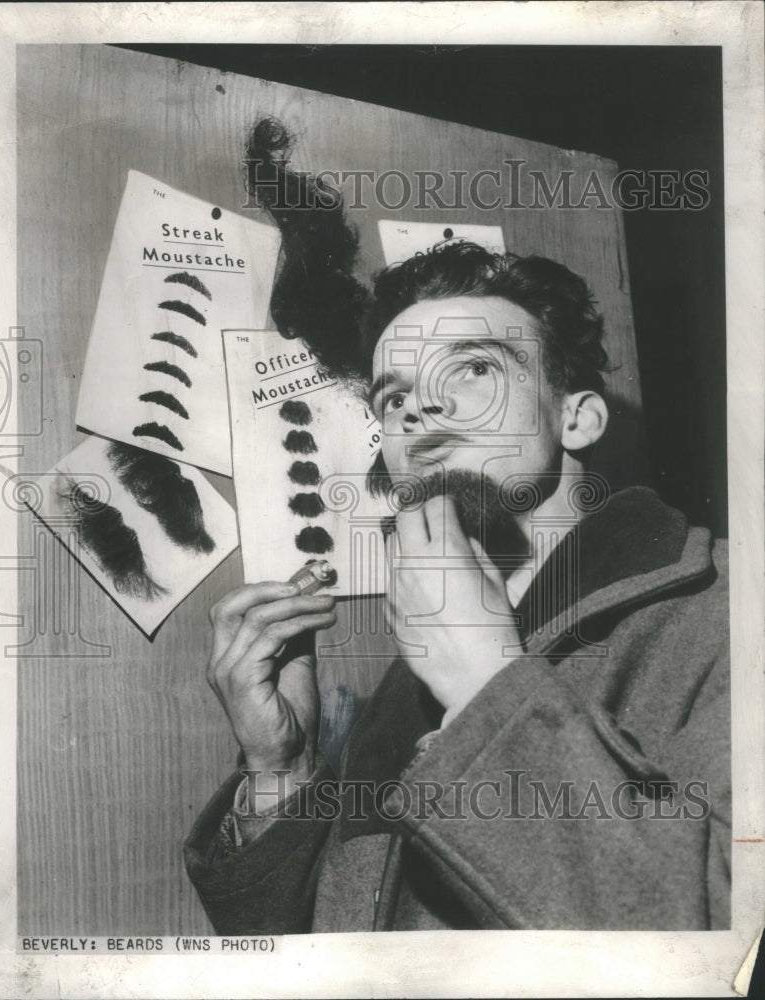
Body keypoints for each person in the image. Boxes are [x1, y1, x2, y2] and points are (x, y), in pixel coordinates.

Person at [184, 242, 730, 933]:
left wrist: (486, 685)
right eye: (394, 396)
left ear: (577, 417)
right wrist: (281, 768)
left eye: (473, 367)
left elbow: (716, 939)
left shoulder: (723, 615)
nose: (420, 407)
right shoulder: (406, 687)